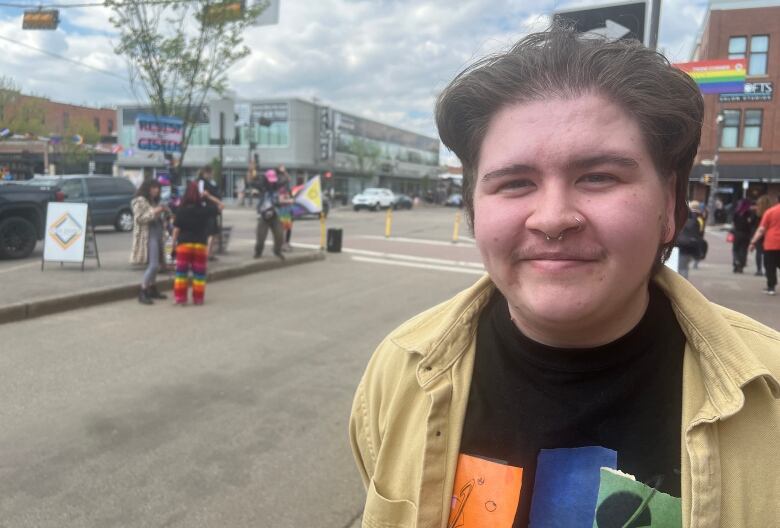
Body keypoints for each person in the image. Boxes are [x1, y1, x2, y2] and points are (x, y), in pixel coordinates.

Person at [349, 26, 780, 528]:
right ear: (473, 211)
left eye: (598, 177)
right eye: (514, 183)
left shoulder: (769, 397)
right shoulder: (397, 371)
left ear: (669, 205)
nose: (552, 218)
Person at [172, 182, 213, 305]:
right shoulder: (204, 210)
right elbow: (221, 206)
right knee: (199, 275)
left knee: (181, 274)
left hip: (184, 245)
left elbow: (176, 230)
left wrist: (172, 246)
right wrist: (208, 197)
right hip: (200, 245)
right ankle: (198, 298)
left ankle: (180, 299)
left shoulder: (181, 210)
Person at [130, 179, 168, 305]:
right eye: (154, 187)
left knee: (157, 264)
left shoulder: (153, 201)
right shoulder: (139, 200)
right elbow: (139, 218)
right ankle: (143, 289)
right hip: (148, 235)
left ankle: (152, 288)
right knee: (153, 264)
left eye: (158, 188)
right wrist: (155, 211)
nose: (156, 190)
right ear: (148, 188)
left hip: (157, 233)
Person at [253, 169, 286, 260]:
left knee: (280, 235)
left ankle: (277, 251)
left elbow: (287, 179)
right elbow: (250, 181)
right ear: (266, 179)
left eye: (273, 181)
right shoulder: (262, 187)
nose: (271, 183)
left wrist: (283, 172)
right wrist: (251, 170)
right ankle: (258, 252)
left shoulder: (277, 185)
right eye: (270, 181)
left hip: (275, 214)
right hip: (263, 215)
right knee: (261, 238)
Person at [750, 195, 780, 296]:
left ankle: (771, 287)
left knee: (770, 266)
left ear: (777, 199)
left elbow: (761, 229)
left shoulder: (770, 211)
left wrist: (753, 242)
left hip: (771, 243)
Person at [197, 166, 224, 261]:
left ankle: (210, 253)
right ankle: (208, 254)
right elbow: (202, 195)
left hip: (213, 209)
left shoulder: (210, 182)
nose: (211, 174)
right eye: (210, 172)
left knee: (213, 232)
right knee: (210, 232)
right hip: (206, 209)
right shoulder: (201, 182)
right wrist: (217, 202)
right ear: (206, 172)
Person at [676, 205, 706, 279]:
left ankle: (681, 285)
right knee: (684, 267)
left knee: (681, 268)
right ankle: (683, 283)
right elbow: (700, 232)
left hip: (681, 246)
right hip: (691, 246)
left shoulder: (680, 219)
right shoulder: (697, 219)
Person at [730, 198, 757, 273]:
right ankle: (741, 265)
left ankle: (736, 262)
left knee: (735, 249)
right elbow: (752, 223)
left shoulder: (737, 212)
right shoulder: (750, 213)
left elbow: (733, 222)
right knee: (744, 250)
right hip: (746, 234)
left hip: (737, 233)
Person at [276, 165, 294, 251]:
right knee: (283, 228)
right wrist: (289, 201)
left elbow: (289, 178)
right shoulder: (281, 188)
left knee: (288, 228)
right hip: (283, 210)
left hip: (287, 210)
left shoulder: (287, 189)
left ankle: (286, 243)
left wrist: (285, 172)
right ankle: (282, 244)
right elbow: (280, 200)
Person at [754, 194, 773, 276]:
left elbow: (754, 225)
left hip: (759, 234)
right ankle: (767, 270)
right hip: (769, 234)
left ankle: (759, 270)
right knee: (767, 253)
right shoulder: (771, 212)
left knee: (758, 252)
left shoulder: (757, 213)